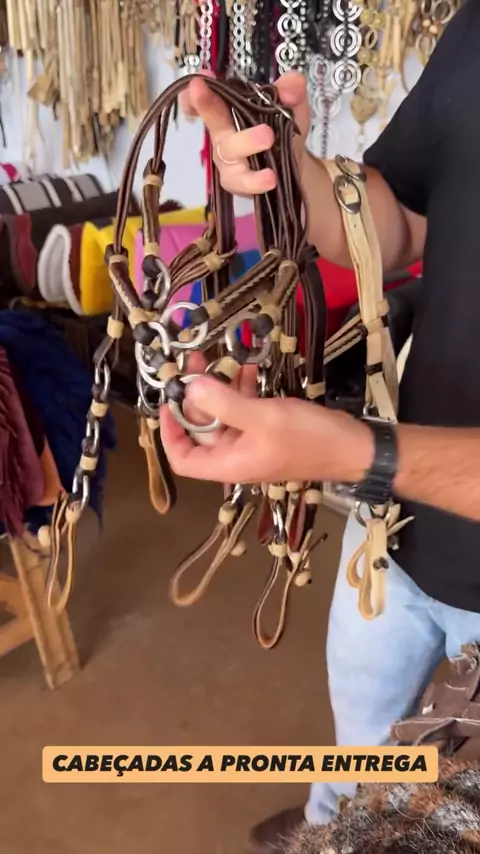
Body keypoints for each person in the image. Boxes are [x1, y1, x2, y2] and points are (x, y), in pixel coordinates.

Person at [162, 1, 480, 850]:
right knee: (355, 758)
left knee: (429, 829)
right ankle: (327, 823)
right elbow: (402, 224)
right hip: (397, 533)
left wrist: (354, 451)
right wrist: (293, 174)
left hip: (391, 475)